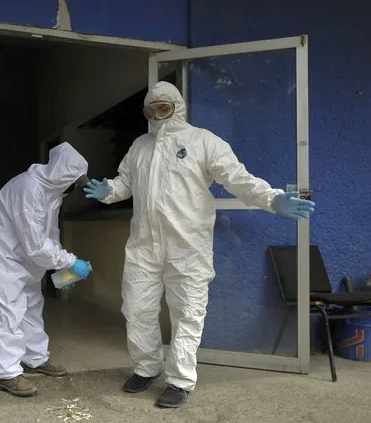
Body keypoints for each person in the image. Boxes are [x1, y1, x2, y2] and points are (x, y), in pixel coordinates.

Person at [83, 82, 315, 408]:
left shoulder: (203, 141)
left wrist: (273, 198)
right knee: (137, 309)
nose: (157, 114)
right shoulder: (140, 146)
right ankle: (147, 367)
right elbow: (127, 183)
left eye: (164, 107)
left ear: (177, 107)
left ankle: (179, 380)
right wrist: (109, 190)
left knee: (187, 313)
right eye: (152, 109)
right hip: (144, 246)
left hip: (187, 246)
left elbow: (237, 177)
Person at [0, 142, 92, 397]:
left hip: (29, 257)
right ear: (61, 175)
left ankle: (35, 358)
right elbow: (34, 244)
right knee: (7, 311)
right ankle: (7, 373)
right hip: (6, 255)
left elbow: (49, 234)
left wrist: (61, 271)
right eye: (73, 182)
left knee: (32, 306)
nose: (73, 189)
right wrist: (69, 261)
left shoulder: (53, 191)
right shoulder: (28, 188)